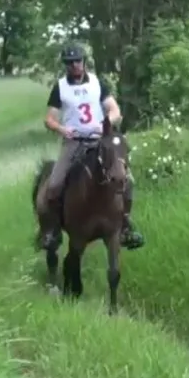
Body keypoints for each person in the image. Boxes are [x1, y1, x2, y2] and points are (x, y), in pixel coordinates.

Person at [36, 43, 145, 251]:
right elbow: (49, 119)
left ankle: (125, 226)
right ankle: (52, 230)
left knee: (126, 179)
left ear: (84, 62)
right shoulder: (60, 87)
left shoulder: (97, 83)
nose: (74, 66)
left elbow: (114, 109)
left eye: (77, 61)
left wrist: (105, 123)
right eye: (69, 63)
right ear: (65, 66)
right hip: (73, 142)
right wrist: (62, 129)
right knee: (54, 185)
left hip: (99, 140)